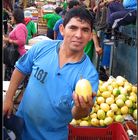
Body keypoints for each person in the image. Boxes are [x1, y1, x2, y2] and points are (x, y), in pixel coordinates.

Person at [3, 7, 99, 140]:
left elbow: (77, 115)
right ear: (62, 30)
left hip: (52, 136)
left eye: (85, 30)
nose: (78, 35)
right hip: (21, 128)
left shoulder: (89, 75)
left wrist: (82, 108)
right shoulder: (42, 48)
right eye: (73, 28)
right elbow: (21, 69)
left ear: (90, 36)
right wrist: (8, 98)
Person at [3, 8, 28, 81]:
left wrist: (8, 40)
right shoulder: (19, 26)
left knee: (14, 79)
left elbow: (21, 41)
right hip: (15, 54)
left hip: (17, 54)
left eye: (12, 16)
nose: (11, 18)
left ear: (16, 17)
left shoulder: (20, 26)